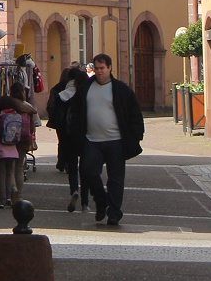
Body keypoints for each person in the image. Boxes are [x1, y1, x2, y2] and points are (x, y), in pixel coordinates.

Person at [63, 52, 144, 227]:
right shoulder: (86, 88)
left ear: (109, 68)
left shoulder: (121, 89)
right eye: (97, 68)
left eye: (102, 68)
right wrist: (74, 133)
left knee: (116, 179)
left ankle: (114, 213)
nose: (99, 71)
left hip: (116, 140)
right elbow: (75, 112)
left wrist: (136, 135)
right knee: (88, 171)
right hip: (92, 140)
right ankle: (101, 201)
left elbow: (134, 113)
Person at [46, 64, 87, 212]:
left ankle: (74, 190)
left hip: (66, 134)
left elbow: (53, 111)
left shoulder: (61, 94)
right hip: (83, 135)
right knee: (84, 168)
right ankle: (85, 203)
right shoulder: (84, 94)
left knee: (72, 167)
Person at [0, 94, 25, 208]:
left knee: (1, 175)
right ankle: (9, 197)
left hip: (0, 151)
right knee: (10, 173)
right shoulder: (16, 117)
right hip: (13, 151)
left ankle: (2, 201)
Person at [7, 81, 40, 203]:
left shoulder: (7, 104)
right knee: (19, 167)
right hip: (24, 139)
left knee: (10, 168)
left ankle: (13, 189)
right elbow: (32, 127)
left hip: (9, 139)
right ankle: (19, 196)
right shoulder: (27, 107)